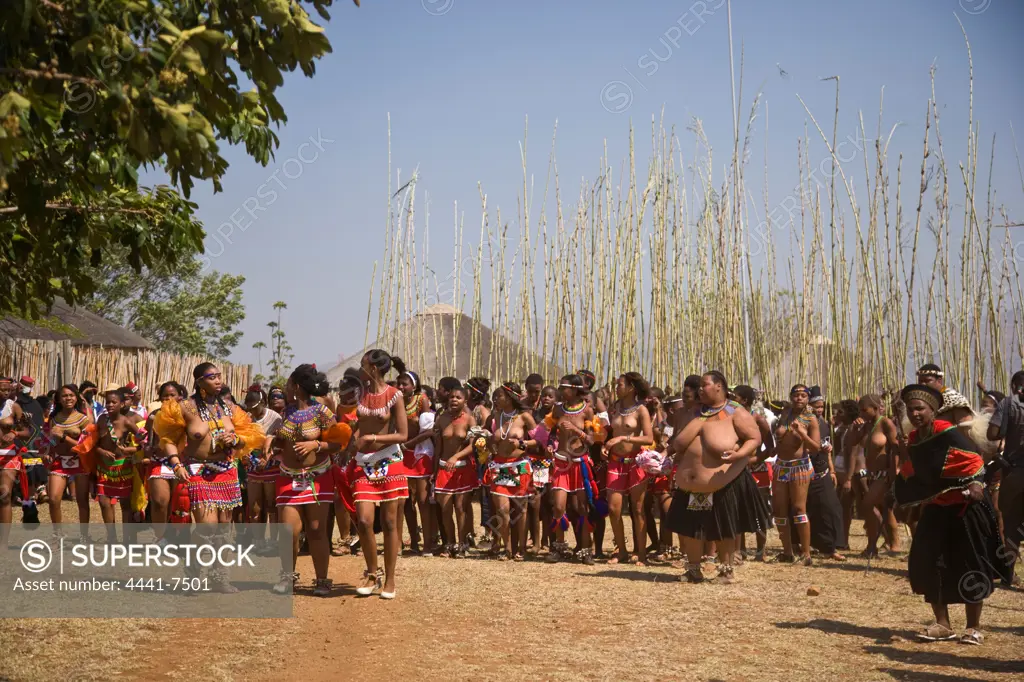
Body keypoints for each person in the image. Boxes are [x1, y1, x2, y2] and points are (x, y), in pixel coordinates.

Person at [894, 383, 1012, 645]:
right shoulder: (915, 439)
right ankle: (942, 625)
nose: (915, 414)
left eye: (920, 409)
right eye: (911, 410)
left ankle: (973, 627)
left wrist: (974, 486)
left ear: (932, 410)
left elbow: (974, 462)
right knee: (930, 562)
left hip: (965, 509)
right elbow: (915, 471)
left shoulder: (946, 433)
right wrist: (903, 492)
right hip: (936, 508)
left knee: (971, 564)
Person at [153, 362, 264, 592]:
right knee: (207, 526)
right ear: (199, 381)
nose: (217, 380)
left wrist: (236, 441)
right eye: (211, 376)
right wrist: (175, 465)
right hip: (198, 471)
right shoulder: (183, 407)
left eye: (219, 376)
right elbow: (168, 440)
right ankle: (192, 573)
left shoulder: (230, 408)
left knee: (224, 528)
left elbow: (249, 437)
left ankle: (218, 576)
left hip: (226, 471)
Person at [667, 371, 769, 583]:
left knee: (723, 525)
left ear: (719, 386)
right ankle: (693, 570)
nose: (700, 389)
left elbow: (754, 438)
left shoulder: (735, 411)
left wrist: (739, 454)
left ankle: (726, 571)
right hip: (692, 484)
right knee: (692, 526)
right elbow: (677, 443)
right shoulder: (695, 411)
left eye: (705, 385)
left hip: (724, 480)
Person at [272, 365, 348, 596]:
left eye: (287, 383)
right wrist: (272, 444)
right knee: (289, 531)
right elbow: (282, 441)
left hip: (318, 477)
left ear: (296, 386)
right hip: (288, 477)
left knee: (316, 529)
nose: (285, 387)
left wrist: (316, 444)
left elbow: (338, 442)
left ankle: (322, 580)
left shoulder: (322, 412)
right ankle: (288, 578)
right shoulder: (286, 412)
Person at [345, 349, 409, 599]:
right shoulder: (360, 394)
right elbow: (357, 425)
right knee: (363, 520)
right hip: (363, 462)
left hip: (389, 460)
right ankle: (373, 572)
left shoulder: (395, 396)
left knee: (391, 522)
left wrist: (373, 437)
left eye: (362, 364)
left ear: (373, 368)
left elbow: (403, 435)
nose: (360, 368)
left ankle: (390, 579)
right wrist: (352, 437)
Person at [544, 374, 604, 565]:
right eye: (560, 387)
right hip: (561, 464)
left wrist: (576, 430)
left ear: (576, 389)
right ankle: (560, 547)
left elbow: (593, 439)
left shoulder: (587, 411)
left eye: (565, 387)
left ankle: (585, 550)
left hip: (579, 464)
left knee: (582, 508)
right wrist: (551, 445)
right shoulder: (557, 409)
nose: (561, 391)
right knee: (559, 506)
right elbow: (551, 431)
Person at [604, 372, 655, 565]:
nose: (617, 388)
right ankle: (622, 551)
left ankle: (641, 553)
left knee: (638, 509)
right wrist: (606, 444)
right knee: (613, 509)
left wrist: (623, 438)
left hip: (635, 463)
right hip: (615, 462)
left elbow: (649, 438)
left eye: (620, 385)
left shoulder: (641, 410)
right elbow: (611, 432)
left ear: (631, 388)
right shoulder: (615, 407)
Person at [485, 382, 537, 560]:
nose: (496, 399)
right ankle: (507, 548)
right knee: (502, 510)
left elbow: (539, 441)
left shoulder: (525, 417)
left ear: (509, 397)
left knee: (521, 510)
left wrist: (522, 443)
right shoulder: (496, 416)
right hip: (499, 466)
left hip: (519, 466)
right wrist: (489, 443)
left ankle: (521, 548)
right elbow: (493, 440)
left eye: (498, 396)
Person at [771, 384, 820, 565]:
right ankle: (787, 552)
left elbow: (816, 448)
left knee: (799, 509)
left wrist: (801, 433)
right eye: (796, 395)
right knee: (779, 510)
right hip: (781, 466)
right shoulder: (785, 414)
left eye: (803, 395)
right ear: (791, 397)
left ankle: (806, 555)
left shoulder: (811, 419)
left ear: (807, 399)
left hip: (799, 467)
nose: (799, 398)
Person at [797, 385, 846, 560]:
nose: (819, 410)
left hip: (823, 472)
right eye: (816, 406)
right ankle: (803, 546)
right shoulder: (801, 423)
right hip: (804, 472)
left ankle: (831, 548)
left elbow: (827, 450)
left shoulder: (824, 424)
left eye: (821, 407)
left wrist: (832, 470)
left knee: (831, 508)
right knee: (808, 509)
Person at [852, 394, 902, 557]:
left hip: (884, 474)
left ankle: (872, 546)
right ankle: (893, 544)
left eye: (864, 410)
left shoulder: (886, 423)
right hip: (872, 474)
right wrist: (855, 429)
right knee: (885, 510)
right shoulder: (866, 426)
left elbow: (896, 448)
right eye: (859, 410)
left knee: (867, 506)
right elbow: (850, 443)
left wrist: (894, 474)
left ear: (875, 408)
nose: (861, 413)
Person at [92, 387, 145, 540]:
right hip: (104, 467)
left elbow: (145, 441)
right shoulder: (102, 419)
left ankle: (128, 539)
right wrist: (101, 451)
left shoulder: (127, 422)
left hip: (123, 467)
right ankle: (111, 538)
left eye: (114, 402)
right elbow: (91, 443)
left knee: (125, 505)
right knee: (104, 502)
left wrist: (132, 449)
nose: (109, 405)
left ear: (122, 404)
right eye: (107, 402)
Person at [432, 385, 479, 558]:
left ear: (465, 401)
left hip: (462, 469)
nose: (454, 400)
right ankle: (450, 543)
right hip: (444, 468)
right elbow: (438, 447)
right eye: (451, 396)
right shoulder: (441, 419)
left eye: (458, 397)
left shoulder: (469, 420)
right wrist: (434, 470)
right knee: (445, 509)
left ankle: (462, 544)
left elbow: (473, 445)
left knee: (460, 508)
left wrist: (456, 457)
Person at [988, 371, 1024, 584]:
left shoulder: (1009, 404)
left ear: (1013, 386)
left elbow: (992, 434)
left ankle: (1008, 575)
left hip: (1014, 474)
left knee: (1011, 526)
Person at [733, 385, 775, 560]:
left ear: (744, 400)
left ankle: (760, 550)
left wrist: (755, 460)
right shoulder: (730, 418)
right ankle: (739, 550)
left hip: (756, 469)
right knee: (737, 509)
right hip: (737, 468)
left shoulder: (758, 419)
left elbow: (771, 448)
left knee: (760, 509)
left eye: (734, 397)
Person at [43, 384, 92, 533]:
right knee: (53, 499)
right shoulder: (54, 418)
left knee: (82, 501)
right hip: (60, 460)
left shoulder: (83, 419)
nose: (68, 398)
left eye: (71, 395)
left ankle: (84, 536)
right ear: (59, 399)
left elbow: (85, 445)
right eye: (64, 396)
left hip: (80, 460)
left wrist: (64, 436)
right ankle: (58, 535)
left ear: (76, 398)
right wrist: (49, 451)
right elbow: (51, 439)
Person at [395, 360, 432, 555]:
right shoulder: (395, 401)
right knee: (404, 501)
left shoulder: (421, 400)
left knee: (423, 501)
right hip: (401, 455)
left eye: (405, 384)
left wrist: (409, 444)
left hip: (419, 454)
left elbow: (429, 430)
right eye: (398, 384)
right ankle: (409, 542)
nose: (401, 387)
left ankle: (427, 544)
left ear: (414, 386)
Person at [143, 381, 187, 543]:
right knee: (161, 501)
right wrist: (147, 448)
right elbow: (148, 441)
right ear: (160, 398)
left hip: (181, 462)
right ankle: (160, 538)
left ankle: (176, 536)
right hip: (159, 461)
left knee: (178, 503)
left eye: (172, 395)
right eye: (165, 395)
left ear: (180, 396)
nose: (168, 398)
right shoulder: (154, 416)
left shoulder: (187, 415)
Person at [243, 385, 283, 553]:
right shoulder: (246, 418)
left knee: (272, 504)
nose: (252, 411)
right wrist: (247, 457)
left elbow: (279, 441)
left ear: (262, 402)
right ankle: (258, 540)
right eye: (249, 407)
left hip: (271, 465)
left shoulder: (275, 418)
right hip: (252, 465)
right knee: (254, 506)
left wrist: (266, 459)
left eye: (255, 407)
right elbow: (242, 441)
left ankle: (273, 541)